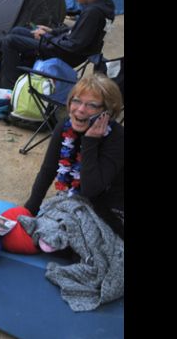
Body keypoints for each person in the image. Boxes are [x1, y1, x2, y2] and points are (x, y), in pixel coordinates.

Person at [24, 73, 124, 239]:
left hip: (111, 211)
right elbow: (48, 170)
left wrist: (90, 141)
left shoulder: (118, 139)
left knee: (58, 243)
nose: (80, 110)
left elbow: (90, 189)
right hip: (75, 203)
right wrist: (28, 212)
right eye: (76, 101)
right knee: (39, 234)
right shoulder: (65, 126)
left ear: (107, 112)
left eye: (91, 105)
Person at [0, 0, 114, 89]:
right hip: (64, 47)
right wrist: (51, 31)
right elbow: (77, 30)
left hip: (65, 54)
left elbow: (74, 44)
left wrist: (46, 37)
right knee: (17, 31)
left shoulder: (93, 13)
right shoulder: (100, 7)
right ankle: (20, 75)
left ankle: (9, 86)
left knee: (10, 41)